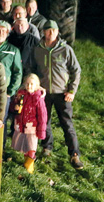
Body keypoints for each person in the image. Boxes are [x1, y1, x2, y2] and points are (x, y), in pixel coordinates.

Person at [32, 20, 83, 169]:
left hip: (62, 93)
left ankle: (74, 154)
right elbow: (32, 68)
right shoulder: (37, 49)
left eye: (53, 31)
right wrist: (35, 86)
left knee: (67, 123)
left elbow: (76, 70)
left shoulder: (65, 49)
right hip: (43, 93)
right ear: (43, 32)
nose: (50, 33)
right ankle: (47, 147)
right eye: (48, 30)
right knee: (44, 121)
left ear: (57, 32)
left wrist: (72, 90)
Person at [0, 21, 23, 135]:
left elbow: (18, 73)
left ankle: (0, 150)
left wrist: (10, 91)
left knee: (1, 121)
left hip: (4, 92)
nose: (0, 32)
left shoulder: (13, 50)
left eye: (3, 30)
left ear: (8, 33)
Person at [11, 74, 47, 174]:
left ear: (36, 85)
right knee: (25, 145)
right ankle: (26, 160)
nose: (29, 86)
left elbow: (42, 116)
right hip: (21, 125)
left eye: (32, 84)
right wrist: (15, 107)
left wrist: (41, 131)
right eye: (27, 84)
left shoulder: (38, 99)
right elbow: (14, 106)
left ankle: (29, 164)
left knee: (32, 146)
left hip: (32, 128)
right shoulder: (21, 95)